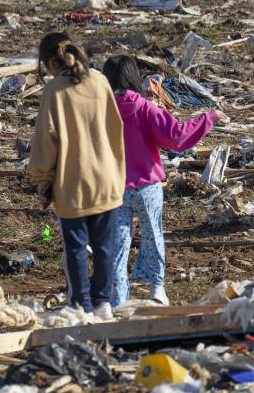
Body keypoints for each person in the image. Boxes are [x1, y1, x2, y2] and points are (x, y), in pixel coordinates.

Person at [102, 55, 225, 307]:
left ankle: (116, 299)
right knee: (153, 236)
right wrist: (208, 118)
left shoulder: (101, 113)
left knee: (118, 245)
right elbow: (176, 137)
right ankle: (157, 288)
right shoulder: (146, 108)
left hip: (115, 190)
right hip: (147, 187)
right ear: (134, 77)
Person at [28, 33, 125, 320]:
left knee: (76, 248)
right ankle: (104, 303)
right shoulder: (99, 81)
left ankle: (81, 303)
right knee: (106, 246)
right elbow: (114, 128)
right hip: (106, 177)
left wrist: (42, 179)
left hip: (73, 181)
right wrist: (117, 171)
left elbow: (46, 140)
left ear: (48, 63)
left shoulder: (54, 91)